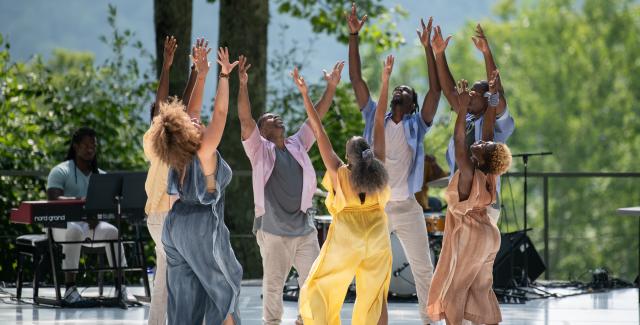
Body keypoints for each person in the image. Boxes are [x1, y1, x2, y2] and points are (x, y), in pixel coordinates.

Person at [347, 3, 441, 323]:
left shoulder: (417, 124)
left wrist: (429, 49)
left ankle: (429, 319)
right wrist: (353, 35)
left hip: (407, 206)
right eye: (396, 90)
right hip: (378, 206)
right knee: (373, 268)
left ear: (412, 103)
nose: (398, 91)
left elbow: (436, 91)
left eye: (404, 92)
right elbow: (357, 79)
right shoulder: (375, 115)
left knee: (423, 267)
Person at [239, 55, 343, 324]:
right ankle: (271, 322)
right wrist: (242, 84)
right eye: (272, 119)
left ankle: (304, 319)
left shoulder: (297, 145)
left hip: (303, 229)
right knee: (274, 285)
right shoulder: (259, 150)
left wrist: (330, 87)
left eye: (278, 117)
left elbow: (315, 118)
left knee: (314, 280)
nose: (278, 119)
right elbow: (245, 119)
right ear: (262, 131)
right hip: (273, 230)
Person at [298, 55, 394, 325]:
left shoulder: (340, 173)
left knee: (322, 283)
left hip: (347, 235)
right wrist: (385, 80)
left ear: (348, 156)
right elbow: (378, 122)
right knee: (375, 294)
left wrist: (306, 94)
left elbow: (318, 131)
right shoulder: (380, 167)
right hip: (377, 234)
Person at [149, 45, 241, 325]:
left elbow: (194, 110)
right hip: (200, 227)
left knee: (183, 298)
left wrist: (201, 76)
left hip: (174, 225)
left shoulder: (178, 153)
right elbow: (221, 114)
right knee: (225, 287)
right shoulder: (204, 151)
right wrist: (224, 77)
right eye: (192, 123)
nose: (195, 121)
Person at [427, 74, 511, 325]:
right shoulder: (489, 172)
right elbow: (486, 130)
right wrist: (493, 99)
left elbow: (459, 140)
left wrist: (462, 109)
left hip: (473, 233)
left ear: (481, 157)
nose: (483, 140)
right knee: (480, 288)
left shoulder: (468, 171)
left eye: (484, 144)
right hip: (489, 234)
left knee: (456, 289)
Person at [142, 35, 202, 325]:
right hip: (164, 215)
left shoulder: (176, 142)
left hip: (162, 215)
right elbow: (163, 106)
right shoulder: (155, 140)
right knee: (187, 272)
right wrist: (167, 67)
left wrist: (194, 72)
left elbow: (185, 110)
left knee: (166, 277)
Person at [432, 24, 515, 215]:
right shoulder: (466, 115)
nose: (469, 93)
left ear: (487, 99)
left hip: (482, 202)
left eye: (475, 93)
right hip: (460, 197)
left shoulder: (497, 122)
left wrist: (486, 53)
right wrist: (439, 54)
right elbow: (449, 91)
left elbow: (498, 93)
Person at [46, 126, 127, 304]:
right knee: (74, 230)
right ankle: (70, 288)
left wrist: (97, 215)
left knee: (113, 232)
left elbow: (109, 204)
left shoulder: (101, 176)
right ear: (75, 146)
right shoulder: (61, 171)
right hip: (62, 225)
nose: (90, 149)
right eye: (86, 145)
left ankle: (120, 286)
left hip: (92, 226)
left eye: (93, 145)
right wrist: (81, 202)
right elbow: (53, 198)